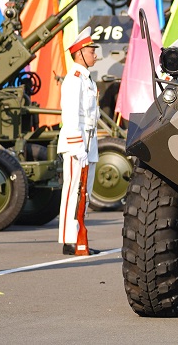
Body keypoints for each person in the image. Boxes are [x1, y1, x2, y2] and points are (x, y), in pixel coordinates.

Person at [58, 27, 101, 256]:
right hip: (78, 141)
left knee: (85, 192)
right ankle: (68, 238)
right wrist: (77, 146)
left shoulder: (87, 79)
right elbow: (70, 115)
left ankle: (80, 236)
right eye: (91, 51)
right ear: (80, 53)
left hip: (89, 141)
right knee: (72, 189)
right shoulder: (74, 79)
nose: (95, 54)